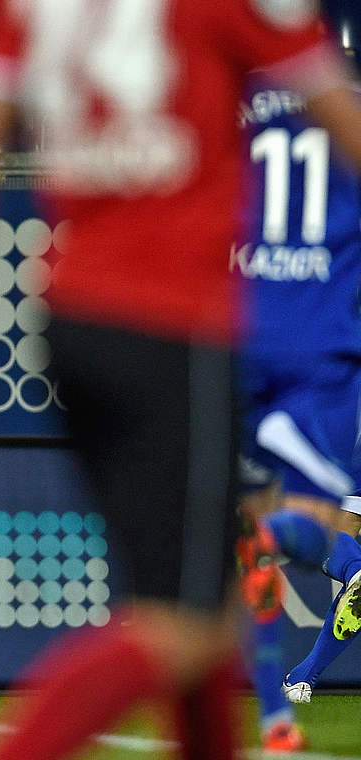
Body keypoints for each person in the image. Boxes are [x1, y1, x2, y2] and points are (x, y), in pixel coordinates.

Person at [0, 2, 361, 758]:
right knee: (182, 627)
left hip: (70, 321)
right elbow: (343, 117)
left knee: (195, 613)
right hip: (176, 325)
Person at [236, 71, 361, 744]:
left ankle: (276, 709)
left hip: (237, 341)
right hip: (320, 355)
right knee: (310, 525)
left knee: (263, 535)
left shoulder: (221, 116)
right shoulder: (344, 118)